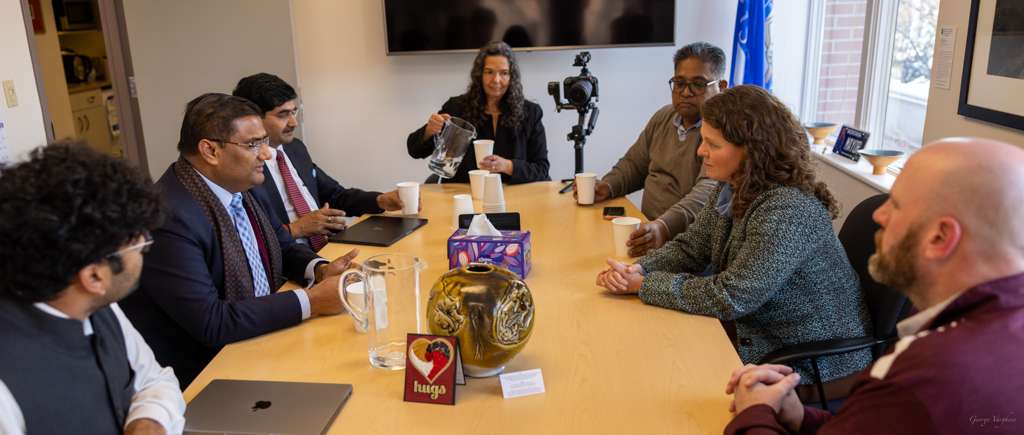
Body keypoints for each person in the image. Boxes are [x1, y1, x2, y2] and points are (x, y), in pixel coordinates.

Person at [724, 138, 1024, 434]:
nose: (878, 215)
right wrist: (802, 418)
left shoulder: (924, 379)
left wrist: (755, 412)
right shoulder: (997, 328)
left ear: (940, 238)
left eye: (895, 204)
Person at [595, 85, 872, 388]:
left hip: (813, 365)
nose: (702, 152)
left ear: (752, 151)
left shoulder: (787, 209)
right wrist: (640, 269)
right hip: (762, 337)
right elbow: (692, 247)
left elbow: (731, 296)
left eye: (712, 144)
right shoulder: (733, 186)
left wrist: (645, 285)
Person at [120, 93, 358, 387]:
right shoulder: (168, 217)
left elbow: (280, 244)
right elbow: (211, 322)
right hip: (204, 373)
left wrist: (319, 270)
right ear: (210, 150)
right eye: (253, 144)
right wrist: (312, 301)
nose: (266, 154)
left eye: (264, 142)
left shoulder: (242, 185)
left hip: (263, 336)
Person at [0, 143, 185, 434]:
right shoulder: (6, 388)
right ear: (95, 277)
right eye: (139, 244)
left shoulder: (99, 306)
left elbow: (154, 379)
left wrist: (150, 419)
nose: (146, 250)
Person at [579, 42, 724, 257]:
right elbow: (634, 164)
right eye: (679, 83)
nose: (686, 92)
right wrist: (607, 186)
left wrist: (664, 227)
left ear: (721, 86)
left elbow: (707, 193)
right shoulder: (664, 117)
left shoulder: (722, 131)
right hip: (647, 230)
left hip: (685, 244)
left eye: (698, 84)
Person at [233, 73, 406, 252]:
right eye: (283, 115)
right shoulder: (245, 167)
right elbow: (249, 238)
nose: (293, 123)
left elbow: (336, 195)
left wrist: (380, 200)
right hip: (291, 260)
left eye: (294, 112)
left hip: (329, 247)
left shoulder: (295, 149)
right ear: (252, 119)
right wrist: (297, 228)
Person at [407, 41, 550, 184]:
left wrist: (507, 166)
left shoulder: (530, 113)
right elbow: (414, 150)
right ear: (479, 75)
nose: (496, 80)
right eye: (489, 72)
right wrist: (429, 131)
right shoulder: (456, 108)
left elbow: (542, 169)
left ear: (512, 77)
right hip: (463, 196)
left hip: (514, 196)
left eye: (504, 73)